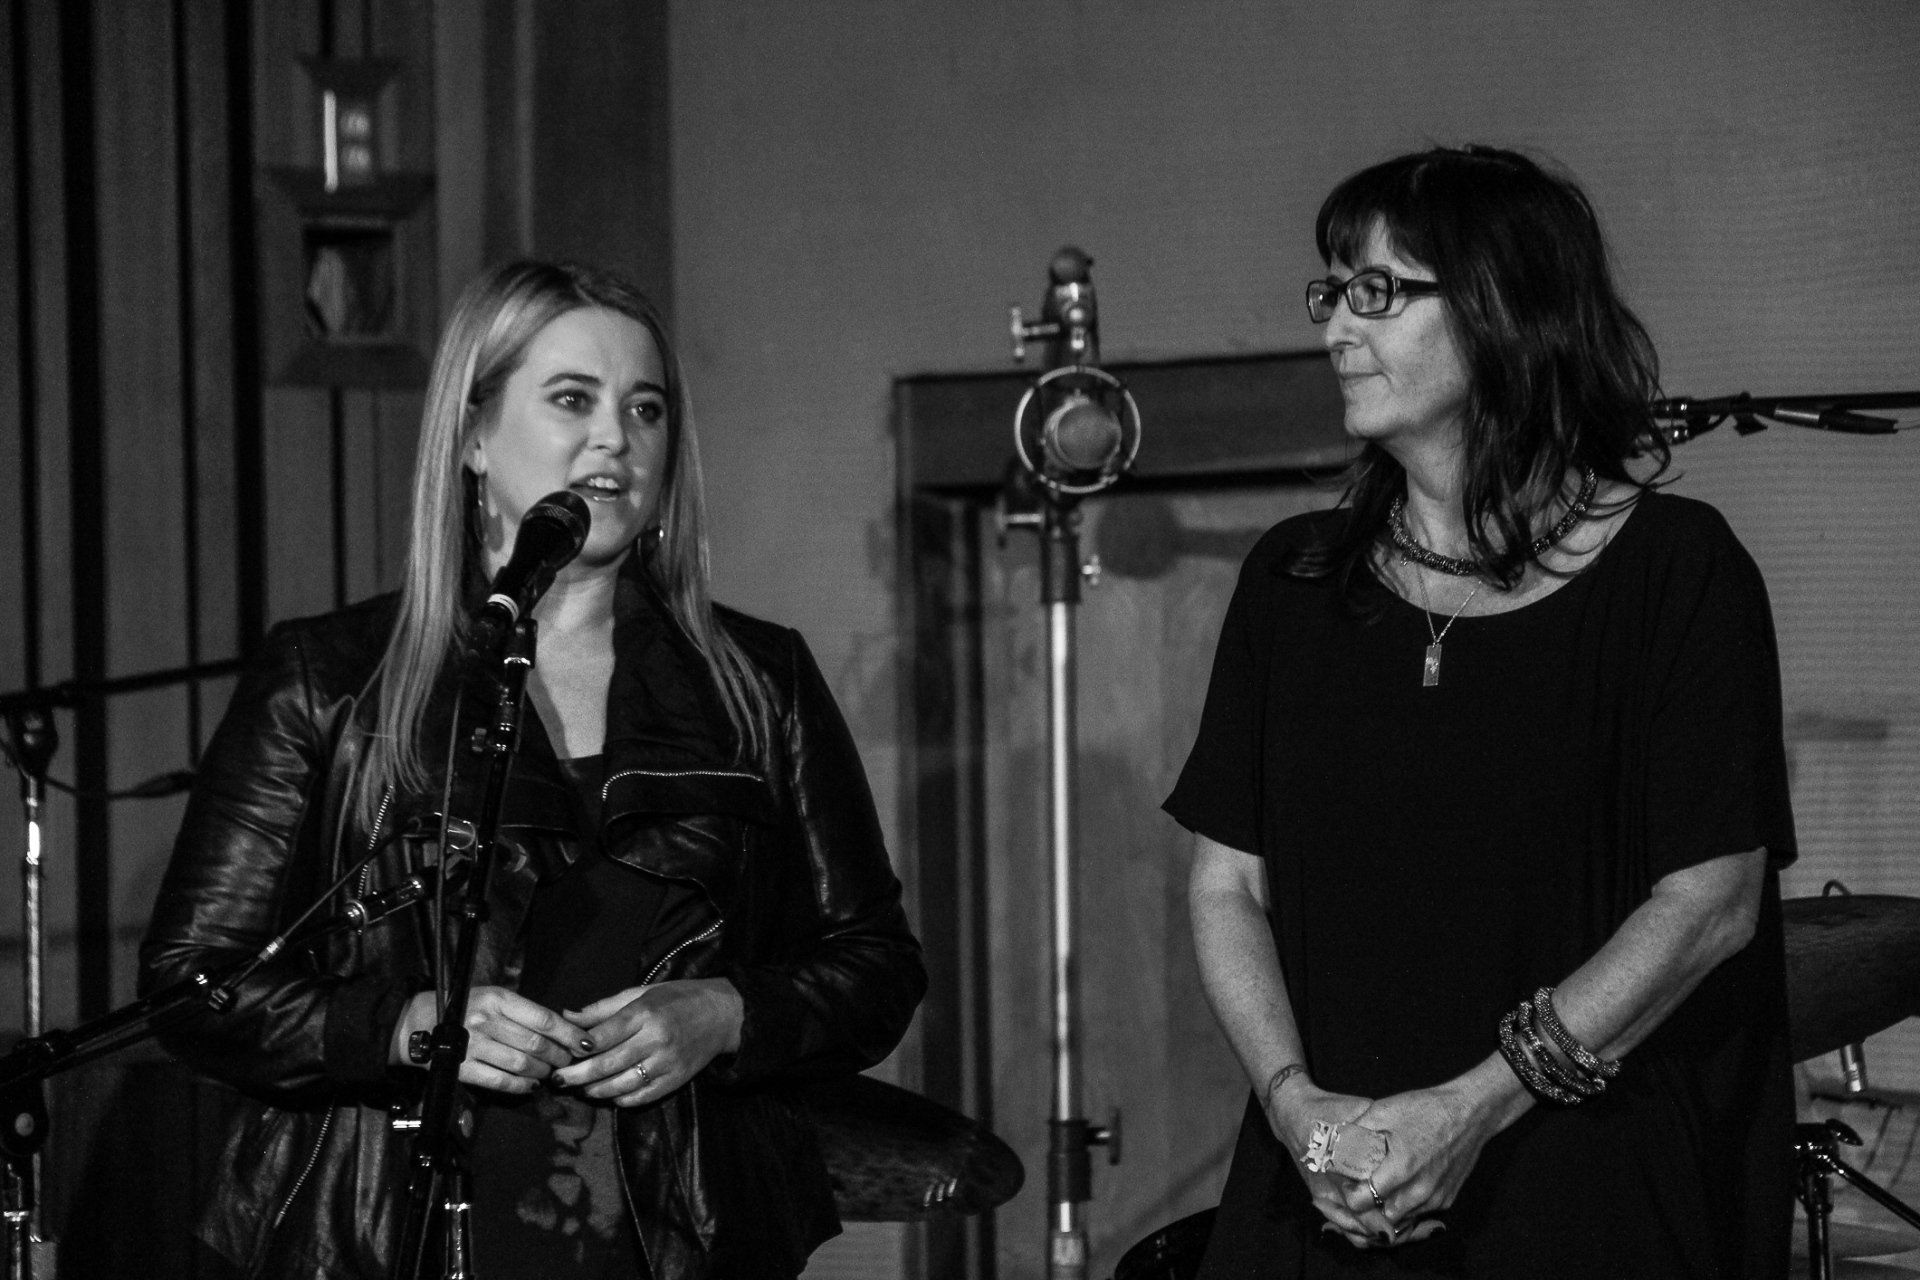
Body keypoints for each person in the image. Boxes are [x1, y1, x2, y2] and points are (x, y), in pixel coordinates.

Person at [140, 259, 926, 1279]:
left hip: (675, 1233)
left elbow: (875, 964)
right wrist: (411, 1025)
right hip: (395, 1231)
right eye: (572, 399)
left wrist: (728, 1011)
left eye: (645, 409)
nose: (616, 438)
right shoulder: (331, 681)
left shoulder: (757, 680)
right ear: (471, 436)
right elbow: (195, 985)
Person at [1164, 145, 1795, 1278]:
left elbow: (1712, 902)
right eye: (1333, 292)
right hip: (1323, 1189)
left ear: (1504, 308)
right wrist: (1300, 1110)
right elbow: (1224, 882)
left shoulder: (1675, 573)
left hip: (1583, 1198)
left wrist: (1472, 1107)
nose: (1334, 330)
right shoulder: (1293, 583)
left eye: (1377, 292)